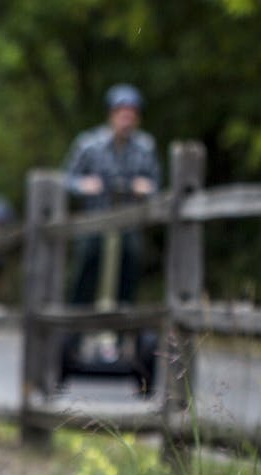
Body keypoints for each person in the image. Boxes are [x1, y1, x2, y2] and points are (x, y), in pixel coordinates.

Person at [60, 83, 161, 394]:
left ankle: (122, 341)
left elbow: (156, 183)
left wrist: (146, 187)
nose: (126, 119)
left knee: (129, 276)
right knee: (84, 276)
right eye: (122, 113)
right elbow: (66, 178)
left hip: (128, 227)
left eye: (132, 113)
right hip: (95, 225)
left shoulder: (145, 147)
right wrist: (84, 185)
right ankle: (72, 340)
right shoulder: (89, 144)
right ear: (112, 115)